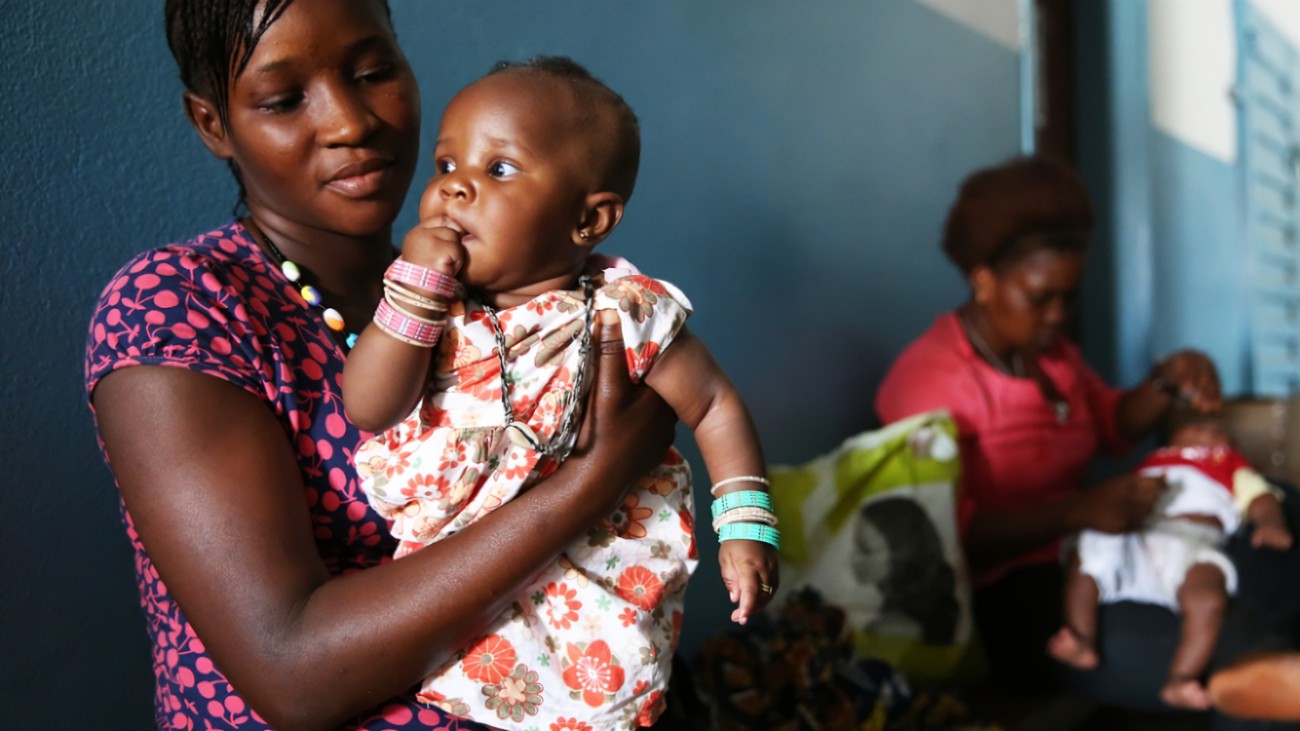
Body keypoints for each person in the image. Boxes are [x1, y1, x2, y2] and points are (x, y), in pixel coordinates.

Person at [83, 2, 683, 729]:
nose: (349, 122)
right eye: (283, 99)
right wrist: (589, 481)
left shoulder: (482, 290)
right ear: (214, 125)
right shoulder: (179, 306)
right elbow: (292, 670)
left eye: (373, 72)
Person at [340, 57, 780, 730]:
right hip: (465, 591)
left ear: (589, 220)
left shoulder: (624, 311)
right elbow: (370, 406)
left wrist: (746, 525)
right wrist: (413, 288)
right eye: (447, 165)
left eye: (500, 170)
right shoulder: (434, 308)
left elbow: (714, 404)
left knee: (599, 703)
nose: (455, 190)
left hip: (594, 588)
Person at [874, 155, 1223, 697]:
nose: (1059, 315)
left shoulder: (1054, 358)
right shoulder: (931, 378)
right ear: (984, 280)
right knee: (1230, 646)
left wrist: (1167, 382)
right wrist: (1077, 511)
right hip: (1008, 602)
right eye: (1041, 298)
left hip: (1084, 560)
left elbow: (1110, 426)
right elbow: (938, 533)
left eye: (1069, 296)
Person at [1049, 413, 1292, 709]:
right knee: (1088, 551)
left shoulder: (1229, 465)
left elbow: (1262, 497)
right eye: (1196, 425)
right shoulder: (1152, 463)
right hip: (1137, 537)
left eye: (1218, 430)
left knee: (1208, 598)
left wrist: (1270, 523)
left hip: (1193, 543)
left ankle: (1180, 677)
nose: (1209, 427)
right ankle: (1080, 638)